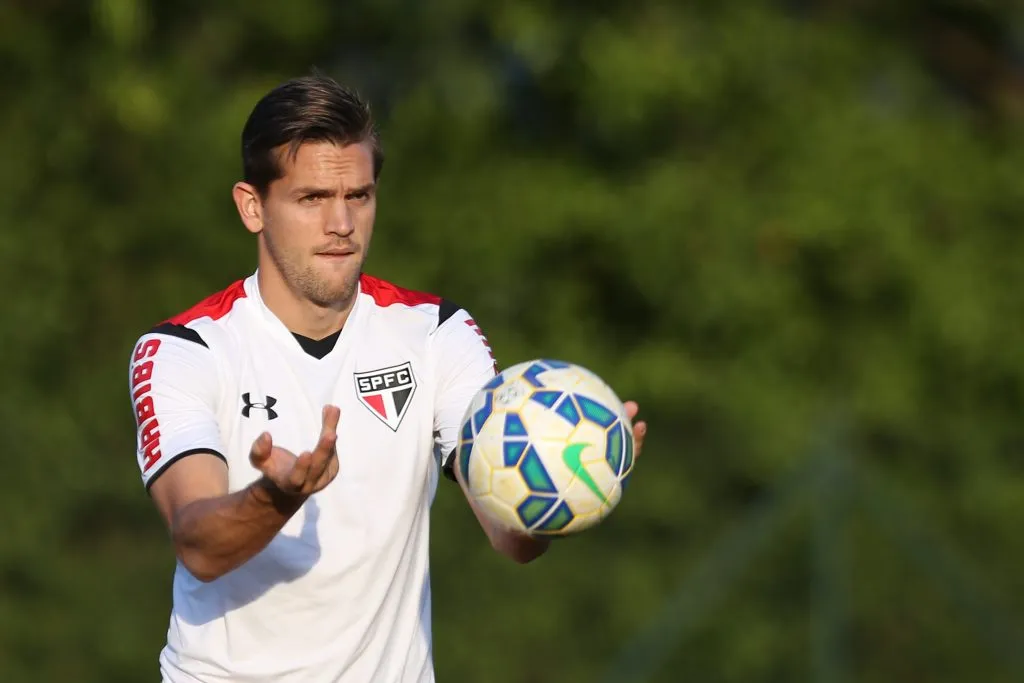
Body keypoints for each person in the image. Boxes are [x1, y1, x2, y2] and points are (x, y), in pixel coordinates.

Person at [127, 73, 648, 683]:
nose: (341, 222)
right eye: (312, 198)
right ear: (252, 207)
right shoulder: (185, 350)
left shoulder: (436, 333)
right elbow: (198, 544)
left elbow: (512, 539)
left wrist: (569, 476)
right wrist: (279, 497)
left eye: (359, 195)